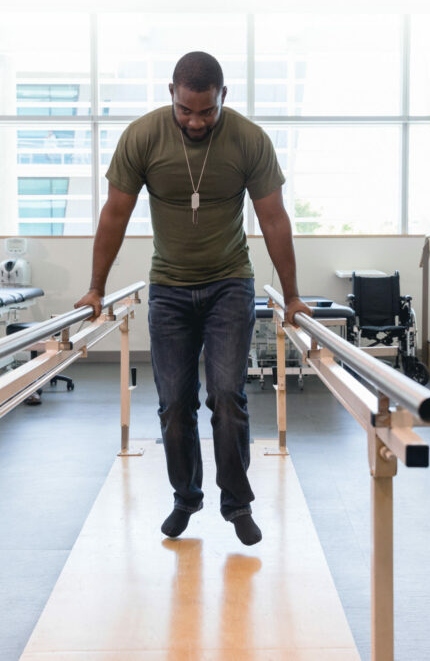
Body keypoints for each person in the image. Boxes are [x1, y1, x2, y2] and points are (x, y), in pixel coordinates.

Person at [74, 51, 311, 546]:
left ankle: (237, 503)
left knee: (227, 396)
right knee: (173, 404)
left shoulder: (248, 140)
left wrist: (292, 297)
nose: (196, 121)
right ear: (171, 95)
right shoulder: (143, 137)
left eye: (207, 111)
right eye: (186, 110)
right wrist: (96, 287)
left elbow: (273, 219)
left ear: (224, 96)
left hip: (229, 283)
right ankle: (186, 498)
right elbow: (115, 214)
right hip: (169, 288)